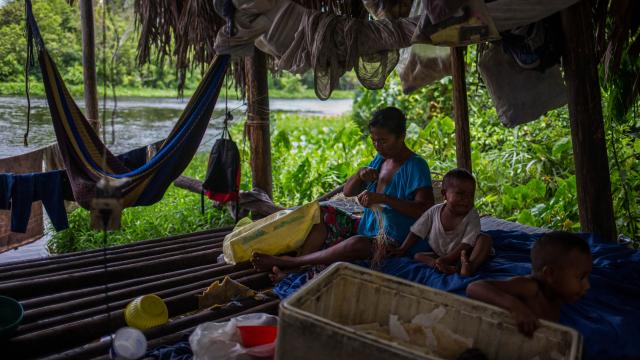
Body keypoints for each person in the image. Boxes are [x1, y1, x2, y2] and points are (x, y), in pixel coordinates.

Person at [251, 106, 435, 278]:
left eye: (384, 141)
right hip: (367, 229)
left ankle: (292, 263)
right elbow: (348, 192)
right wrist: (359, 175)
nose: (378, 146)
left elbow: (425, 210)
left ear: (401, 136)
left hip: (396, 241)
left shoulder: (416, 166)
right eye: (374, 141)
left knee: (357, 244)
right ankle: (299, 266)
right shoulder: (381, 159)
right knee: (322, 211)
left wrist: (382, 199)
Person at [466, 231, 592, 337]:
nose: (587, 286)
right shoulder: (531, 288)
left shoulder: (557, 295)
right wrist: (516, 307)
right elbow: (474, 287)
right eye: (581, 277)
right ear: (550, 274)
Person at [389, 168, 492, 276]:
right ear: (444, 193)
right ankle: (441, 266)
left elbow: (467, 244)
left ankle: (470, 267)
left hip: (466, 253)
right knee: (417, 256)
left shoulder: (472, 215)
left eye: (470, 195)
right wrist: (402, 248)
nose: (466, 199)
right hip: (440, 255)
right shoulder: (434, 211)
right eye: (460, 194)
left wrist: (447, 259)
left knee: (485, 239)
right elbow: (416, 231)